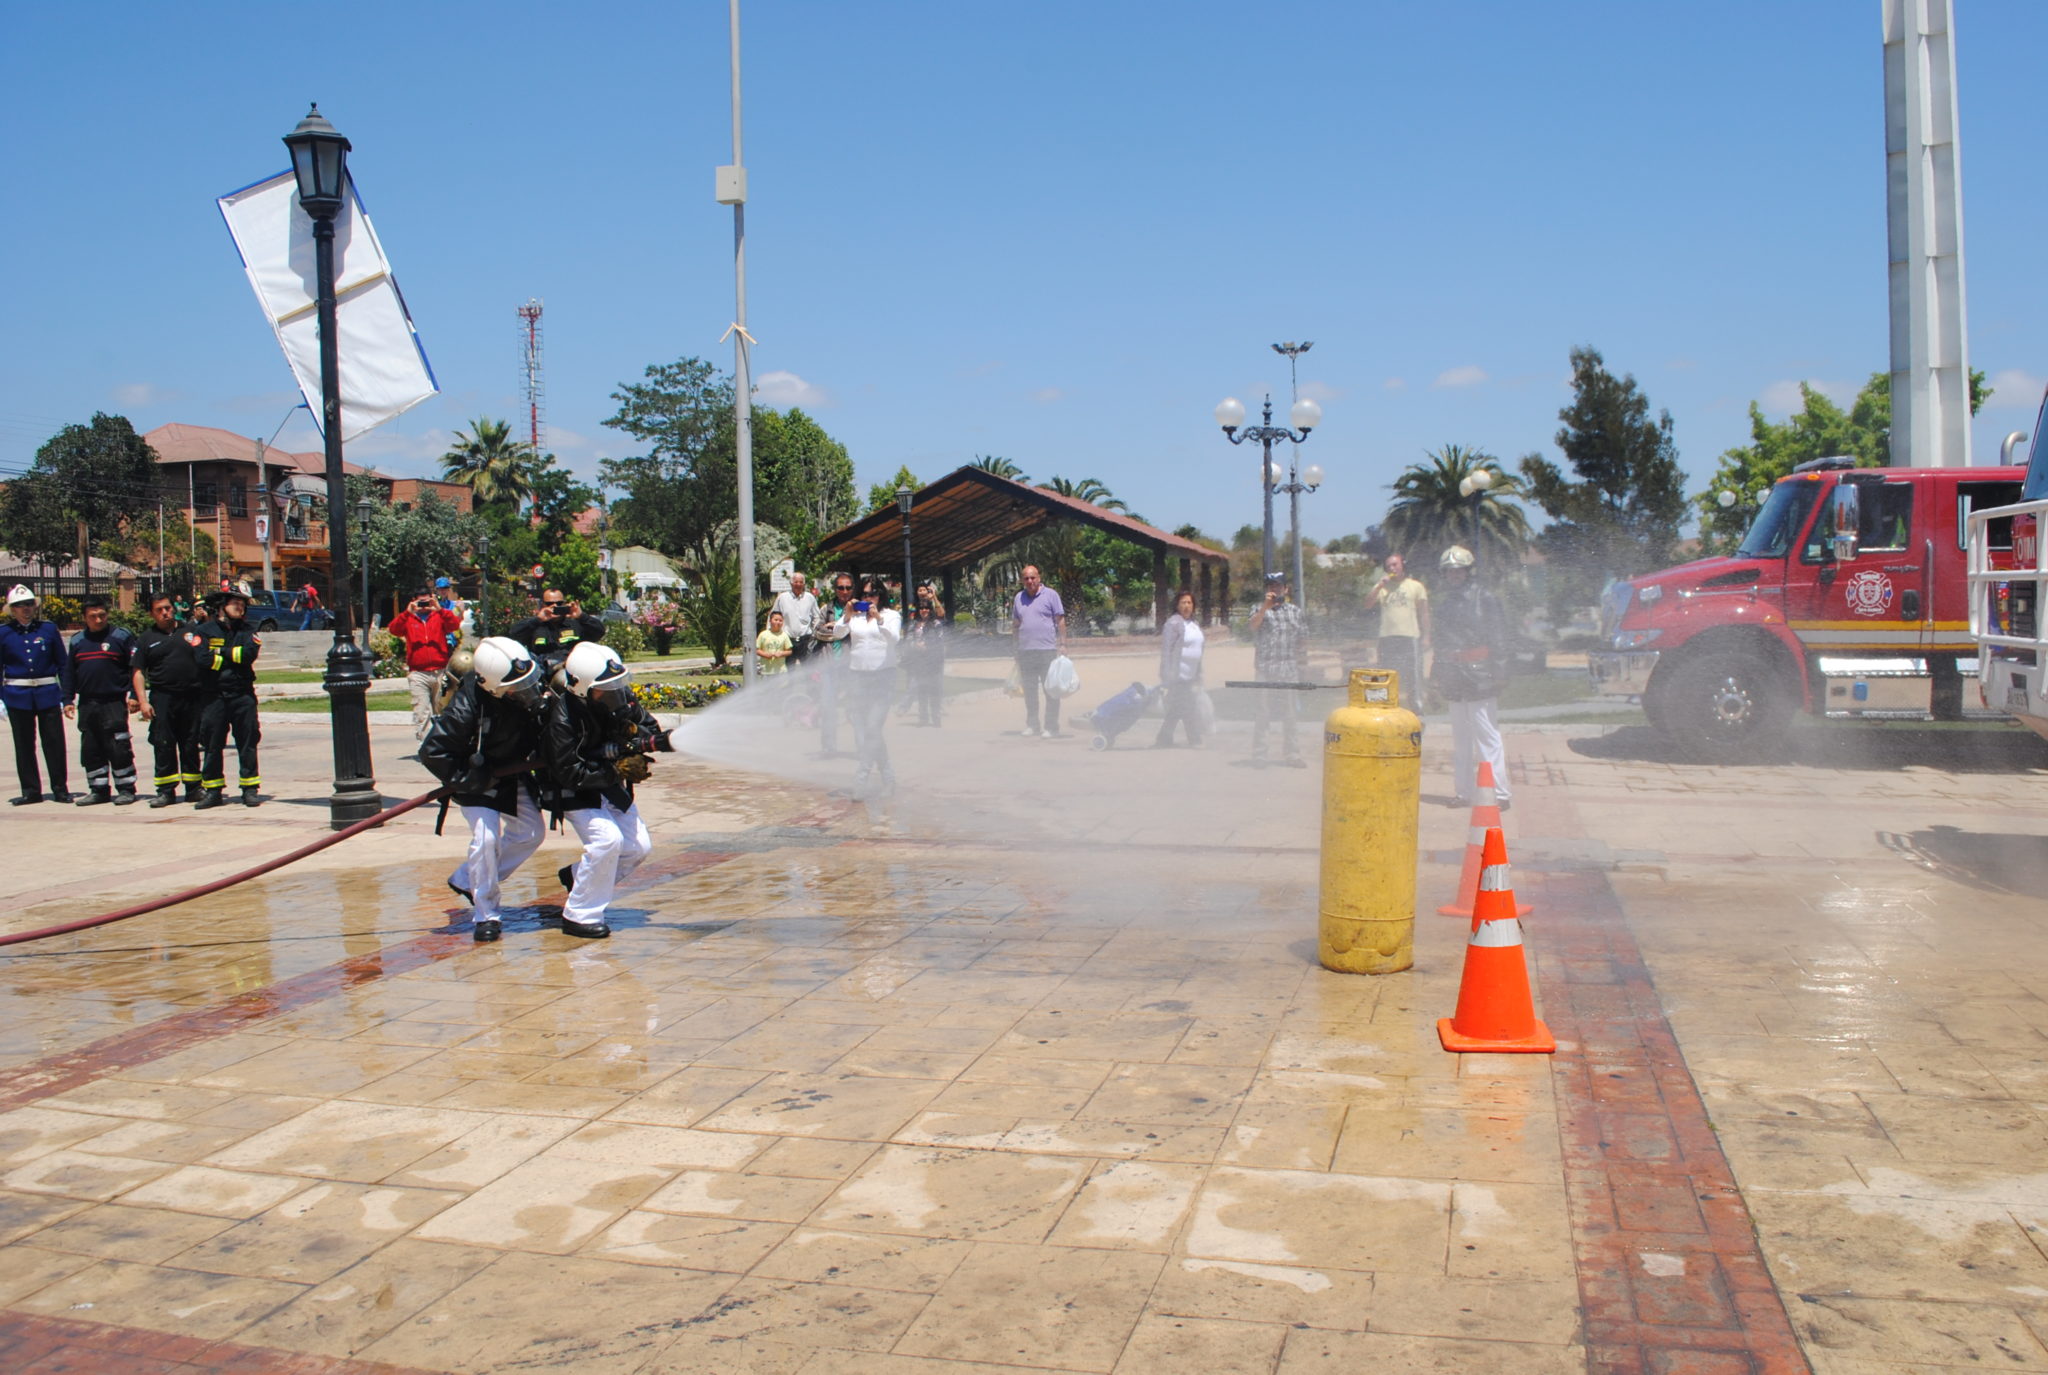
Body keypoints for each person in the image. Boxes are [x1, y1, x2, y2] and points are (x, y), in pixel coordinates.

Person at [421, 636, 550, 943]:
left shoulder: (520, 683)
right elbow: (433, 752)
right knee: (485, 839)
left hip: (511, 772)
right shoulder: (467, 706)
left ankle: (469, 878)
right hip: (475, 776)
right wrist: (471, 780)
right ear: (493, 687)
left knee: (532, 833)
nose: (525, 690)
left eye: (527, 681)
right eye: (516, 686)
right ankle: (486, 913)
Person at [541, 642, 675, 938]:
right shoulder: (562, 718)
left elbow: (648, 728)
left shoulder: (621, 699)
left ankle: (577, 877)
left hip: (607, 785)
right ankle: (580, 915)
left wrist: (643, 740)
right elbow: (568, 771)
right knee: (607, 841)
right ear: (581, 689)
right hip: (574, 789)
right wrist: (615, 769)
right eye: (606, 687)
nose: (616, 692)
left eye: (618, 684)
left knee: (639, 847)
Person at [1431, 545, 1512, 809]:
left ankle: (1499, 794)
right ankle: (1464, 792)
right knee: (1461, 738)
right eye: (1449, 571)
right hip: (1453, 674)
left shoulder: (1486, 598)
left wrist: (1499, 670)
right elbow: (1440, 642)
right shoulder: (1444, 604)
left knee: (1487, 735)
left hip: (1480, 674)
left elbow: (1499, 636)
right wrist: (1436, 674)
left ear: (1468, 571)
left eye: (1459, 570)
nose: (1454, 575)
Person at [66, 596, 145, 806]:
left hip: (114, 703)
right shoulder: (77, 641)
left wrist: (135, 695)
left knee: (118, 746)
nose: (99, 620)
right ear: (85, 618)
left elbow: (135, 667)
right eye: (93, 617)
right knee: (91, 748)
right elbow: (69, 673)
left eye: (102, 615)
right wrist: (67, 699)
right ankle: (98, 789)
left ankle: (126, 788)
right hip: (88, 703)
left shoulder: (121, 636)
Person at [192, 590, 263, 808]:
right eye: (234, 603)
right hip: (214, 696)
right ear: (222, 606)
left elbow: (249, 655)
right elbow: (202, 659)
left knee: (248, 742)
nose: (239, 607)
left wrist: (220, 652)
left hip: (242, 694)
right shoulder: (203, 630)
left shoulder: (248, 630)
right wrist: (232, 655)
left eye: (242, 604)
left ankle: (249, 789)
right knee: (212, 744)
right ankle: (213, 791)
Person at [1, 585, 71, 805]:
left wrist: (66, 696)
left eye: (29, 604)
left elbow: (62, 664)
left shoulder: (48, 630)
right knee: (23, 744)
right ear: (12, 609)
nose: (26, 609)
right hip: (17, 694)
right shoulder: (3, 633)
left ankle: (60, 788)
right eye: (20, 605)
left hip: (47, 692)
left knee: (54, 743)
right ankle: (31, 790)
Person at [138, 592, 205, 807]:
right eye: (160, 610)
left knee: (190, 742)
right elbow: (138, 671)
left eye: (167, 608)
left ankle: (194, 788)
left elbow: (204, 658)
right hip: (162, 698)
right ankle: (166, 791)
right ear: (152, 614)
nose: (165, 613)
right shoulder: (146, 639)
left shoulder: (190, 632)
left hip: (191, 696)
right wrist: (142, 702)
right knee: (163, 743)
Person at [843, 578, 902, 796]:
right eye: (866, 594)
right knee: (866, 730)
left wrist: (879, 619)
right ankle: (888, 776)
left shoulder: (891, 616)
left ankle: (861, 778)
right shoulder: (855, 618)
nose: (869, 598)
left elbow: (894, 638)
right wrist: (848, 615)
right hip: (857, 677)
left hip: (883, 678)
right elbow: (838, 634)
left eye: (874, 594)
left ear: (881, 595)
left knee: (872, 727)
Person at [1249, 571, 1308, 767]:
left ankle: (1292, 754)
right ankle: (1260, 755)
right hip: (1265, 669)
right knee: (1262, 713)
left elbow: (1303, 638)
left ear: (1285, 589)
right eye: (1270, 586)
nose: (1274, 589)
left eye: (1278, 586)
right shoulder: (1258, 609)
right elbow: (1253, 626)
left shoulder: (1295, 611)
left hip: (1288, 670)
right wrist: (1265, 608)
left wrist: (1299, 661)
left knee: (1290, 714)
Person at [393, 587, 464, 742]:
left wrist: (439, 609)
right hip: (418, 673)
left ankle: (446, 742)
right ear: (414, 600)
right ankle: (426, 745)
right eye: (421, 601)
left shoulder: (438, 616)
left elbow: (454, 625)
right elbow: (394, 630)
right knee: (422, 712)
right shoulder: (409, 619)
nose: (424, 605)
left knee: (444, 709)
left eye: (427, 601)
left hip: (440, 671)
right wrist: (407, 613)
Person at [1366, 553, 1430, 713]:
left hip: (1410, 637)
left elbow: (1424, 612)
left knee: (1413, 677)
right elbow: (1367, 604)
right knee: (1387, 676)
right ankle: (1387, 711)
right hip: (1387, 637)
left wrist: (1427, 636)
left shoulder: (1415, 586)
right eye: (1388, 566)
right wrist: (1379, 585)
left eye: (1395, 565)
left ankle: (1417, 713)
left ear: (1402, 565)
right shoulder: (1383, 587)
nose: (1391, 568)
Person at [1012, 564, 1068, 738]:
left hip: (1047, 651)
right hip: (1026, 652)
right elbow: (1016, 624)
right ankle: (1033, 725)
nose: (1030, 581)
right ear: (1022, 580)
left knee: (1050, 690)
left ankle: (1051, 727)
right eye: (1026, 578)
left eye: (1033, 577)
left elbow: (1060, 621)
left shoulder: (1051, 595)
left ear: (1039, 578)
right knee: (1029, 692)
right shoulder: (1018, 598)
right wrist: (1015, 647)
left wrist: (1063, 644)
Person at [809, 573, 857, 755]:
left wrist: (834, 627)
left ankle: (861, 746)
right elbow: (818, 632)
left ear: (852, 589)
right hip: (829, 665)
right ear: (835, 589)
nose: (844, 592)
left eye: (847, 588)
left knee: (855, 707)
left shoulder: (858, 607)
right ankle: (829, 747)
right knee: (828, 706)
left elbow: (856, 632)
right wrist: (839, 629)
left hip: (852, 666)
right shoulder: (826, 608)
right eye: (840, 588)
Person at [1154, 590, 1205, 748]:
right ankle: (1195, 740)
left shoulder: (1194, 625)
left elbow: (1199, 649)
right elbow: (1167, 650)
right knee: (1189, 707)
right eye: (1183, 602)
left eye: (1189, 603)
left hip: (1191, 674)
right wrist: (1167, 675)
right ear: (1177, 605)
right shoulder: (1173, 623)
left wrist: (1199, 673)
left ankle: (1163, 739)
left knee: (1177, 709)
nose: (1186, 606)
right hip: (1177, 675)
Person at [509, 588, 606, 670]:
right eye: (549, 603)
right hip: (542, 675)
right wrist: (538, 619)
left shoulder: (575, 624)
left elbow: (600, 631)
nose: (555, 606)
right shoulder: (535, 625)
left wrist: (581, 616)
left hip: (571, 671)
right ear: (542, 605)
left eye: (559, 603)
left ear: (564, 604)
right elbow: (513, 634)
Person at [905, 602, 947, 726]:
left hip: (933, 661)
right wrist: (915, 645)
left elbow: (940, 640)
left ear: (930, 609)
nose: (924, 610)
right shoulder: (914, 625)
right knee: (921, 690)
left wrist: (927, 646)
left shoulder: (936, 624)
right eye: (922, 608)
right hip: (919, 661)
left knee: (935, 690)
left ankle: (936, 717)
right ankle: (923, 717)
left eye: (927, 608)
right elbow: (908, 640)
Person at [771, 572, 820, 663]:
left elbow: (817, 616)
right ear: (791, 583)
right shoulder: (782, 598)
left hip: (806, 639)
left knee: (808, 669)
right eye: (796, 582)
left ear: (804, 584)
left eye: (801, 582)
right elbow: (773, 616)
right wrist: (772, 635)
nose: (798, 584)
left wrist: (814, 632)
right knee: (789, 669)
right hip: (787, 639)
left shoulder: (810, 598)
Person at [756, 610, 794, 675]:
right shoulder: (763, 634)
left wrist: (781, 653)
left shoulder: (784, 635)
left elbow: (789, 651)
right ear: (770, 621)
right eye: (776, 620)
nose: (778, 622)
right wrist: (765, 655)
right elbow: (756, 650)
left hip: (781, 670)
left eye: (780, 620)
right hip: (766, 670)